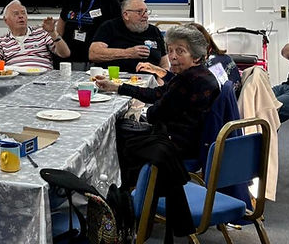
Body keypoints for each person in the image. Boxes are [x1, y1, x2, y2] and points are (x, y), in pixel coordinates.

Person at [94, 25, 220, 162]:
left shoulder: (186, 80)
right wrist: (117, 87)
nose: (172, 57)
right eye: (170, 50)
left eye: (180, 51)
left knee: (119, 131)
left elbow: (154, 114)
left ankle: (124, 181)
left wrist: (149, 109)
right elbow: (157, 93)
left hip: (179, 146)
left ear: (195, 57)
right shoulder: (201, 74)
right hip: (192, 139)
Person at [0, 0, 70, 70]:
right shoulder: (1, 41)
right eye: (16, 14)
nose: (21, 16)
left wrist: (53, 33)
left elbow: (65, 54)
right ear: (6, 20)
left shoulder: (42, 33)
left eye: (23, 13)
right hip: (14, 81)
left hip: (42, 80)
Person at [56, 0, 121, 66]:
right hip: (69, 54)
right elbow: (62, 22)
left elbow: (116, 30)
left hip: (94, 58)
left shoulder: (109, 0)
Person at [88, 0, 168, 74]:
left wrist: (161, 83)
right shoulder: (110, 27)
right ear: (126, 15)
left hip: (151, 83)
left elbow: (164, 64)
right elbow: (94, 54)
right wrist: (128, 53)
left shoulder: (154, 31)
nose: (146, 16)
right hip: (116, 81)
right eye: (139, 12)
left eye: (146, 11)